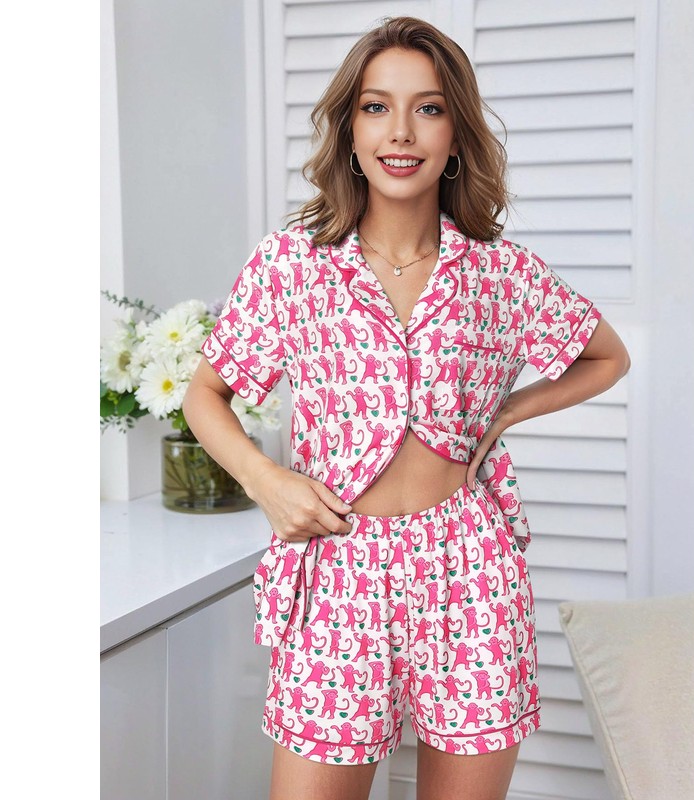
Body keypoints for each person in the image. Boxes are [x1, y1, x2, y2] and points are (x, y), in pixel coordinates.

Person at [183, 15, 630, 800]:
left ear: (455, 135)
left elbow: (607, 356)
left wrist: (505, 414)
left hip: (470, 571)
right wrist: (266, 480)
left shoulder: (500, 271)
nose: (400, 131)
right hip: (339, 567)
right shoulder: (292, 264)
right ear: (350, 130)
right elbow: (204, 396)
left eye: (428, 108)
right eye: (375, 107)